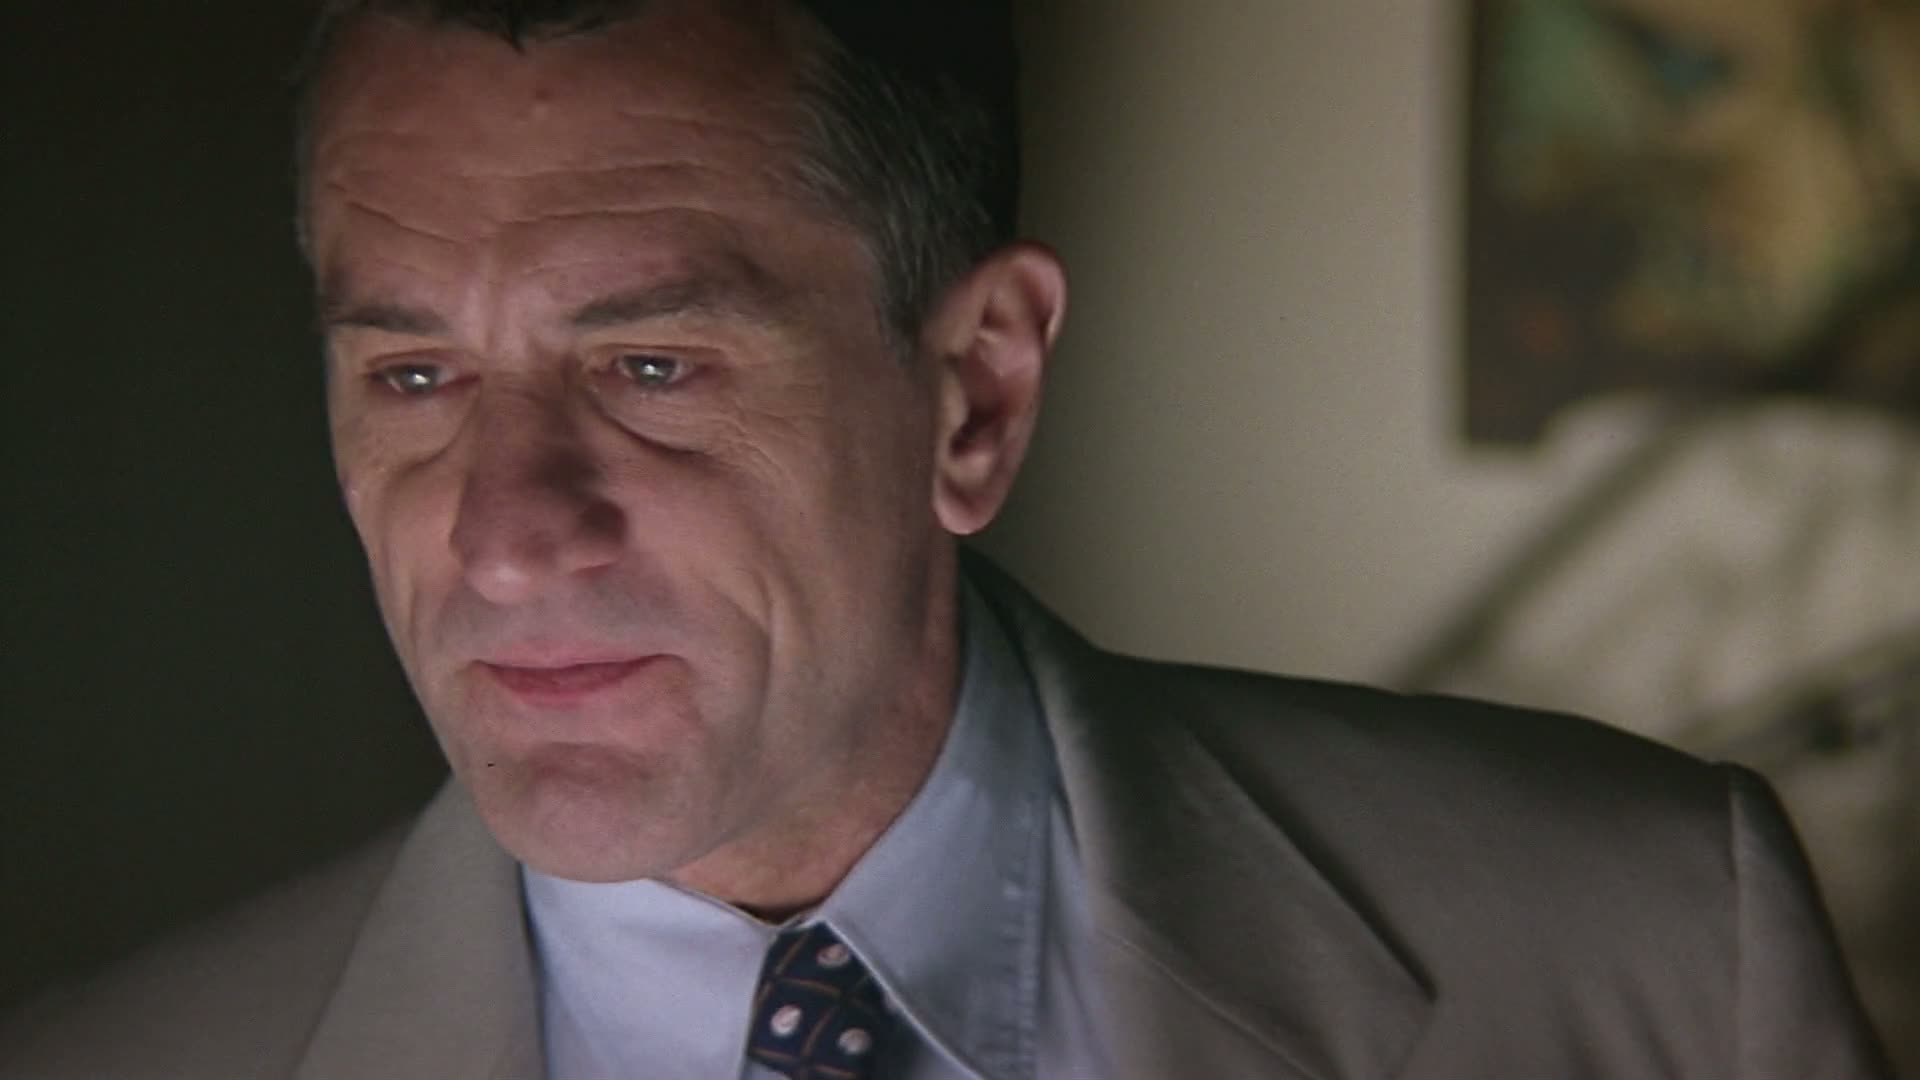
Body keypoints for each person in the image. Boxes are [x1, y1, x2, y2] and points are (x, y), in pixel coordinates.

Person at [0, 1, 1893, 1077]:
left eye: (651, 365)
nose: (501, 541)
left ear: (977, 391)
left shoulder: (1658, 947)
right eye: (412, 376)